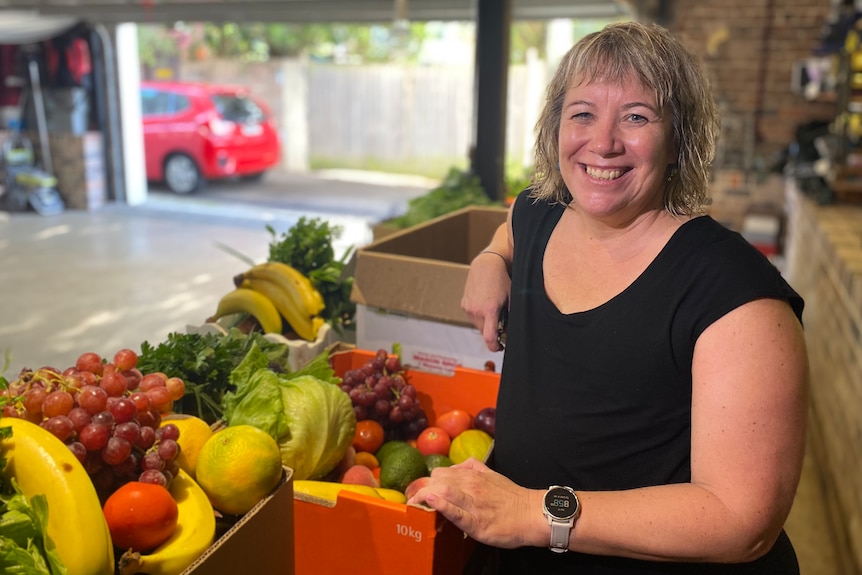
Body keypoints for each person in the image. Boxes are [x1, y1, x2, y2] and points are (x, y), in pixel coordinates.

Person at [407, 21, 810, 574]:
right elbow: (514, 223)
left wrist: (532, 512)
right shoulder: (539, 212)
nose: (603, 143)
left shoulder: (735, 295)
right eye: (583, 114)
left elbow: (741, 521)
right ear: (555, 130)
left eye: (637, 116)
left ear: (679, 142)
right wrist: (491, 260)